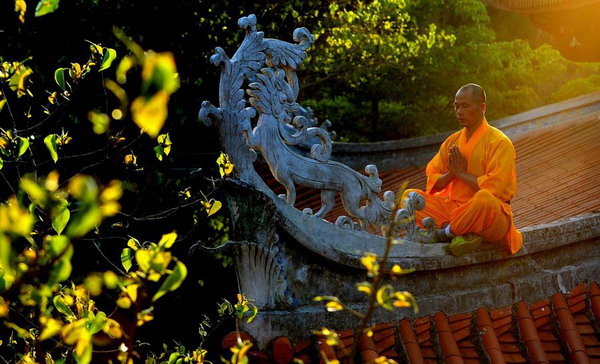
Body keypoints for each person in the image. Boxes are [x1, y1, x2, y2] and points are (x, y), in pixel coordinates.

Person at [403, 83, 522, 256]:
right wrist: (452, 173)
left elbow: (494, 189)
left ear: (482, 108)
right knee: (409, 198)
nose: (459, 111)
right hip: (454, 210)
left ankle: (445, 233)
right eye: (456, 106)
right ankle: (461, 230)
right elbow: (434, 178)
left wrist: (461, 173)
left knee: (484, 199)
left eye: (465, 106)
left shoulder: (499, 142)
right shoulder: (452, 141)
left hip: (488, 216)